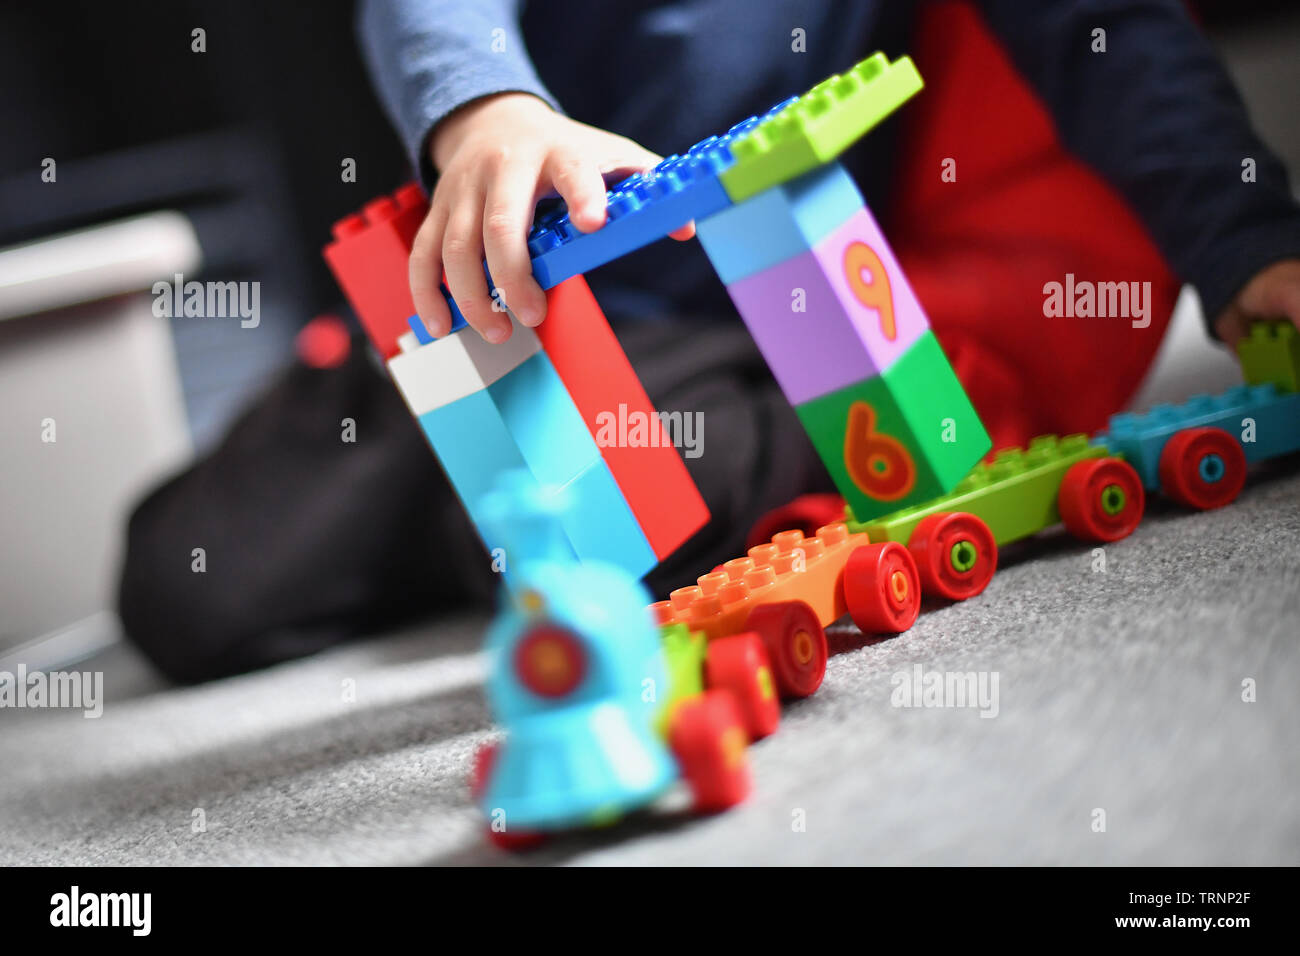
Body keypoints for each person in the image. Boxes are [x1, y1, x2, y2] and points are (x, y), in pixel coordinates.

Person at [119, 0, 1300, 682]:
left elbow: (1105, 28)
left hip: (746, 329)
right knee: (190, 586)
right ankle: (421, 474)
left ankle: (477, 519)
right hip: (492, 308)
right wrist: (484, 102)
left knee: (649, 504)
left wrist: (1243, 240)